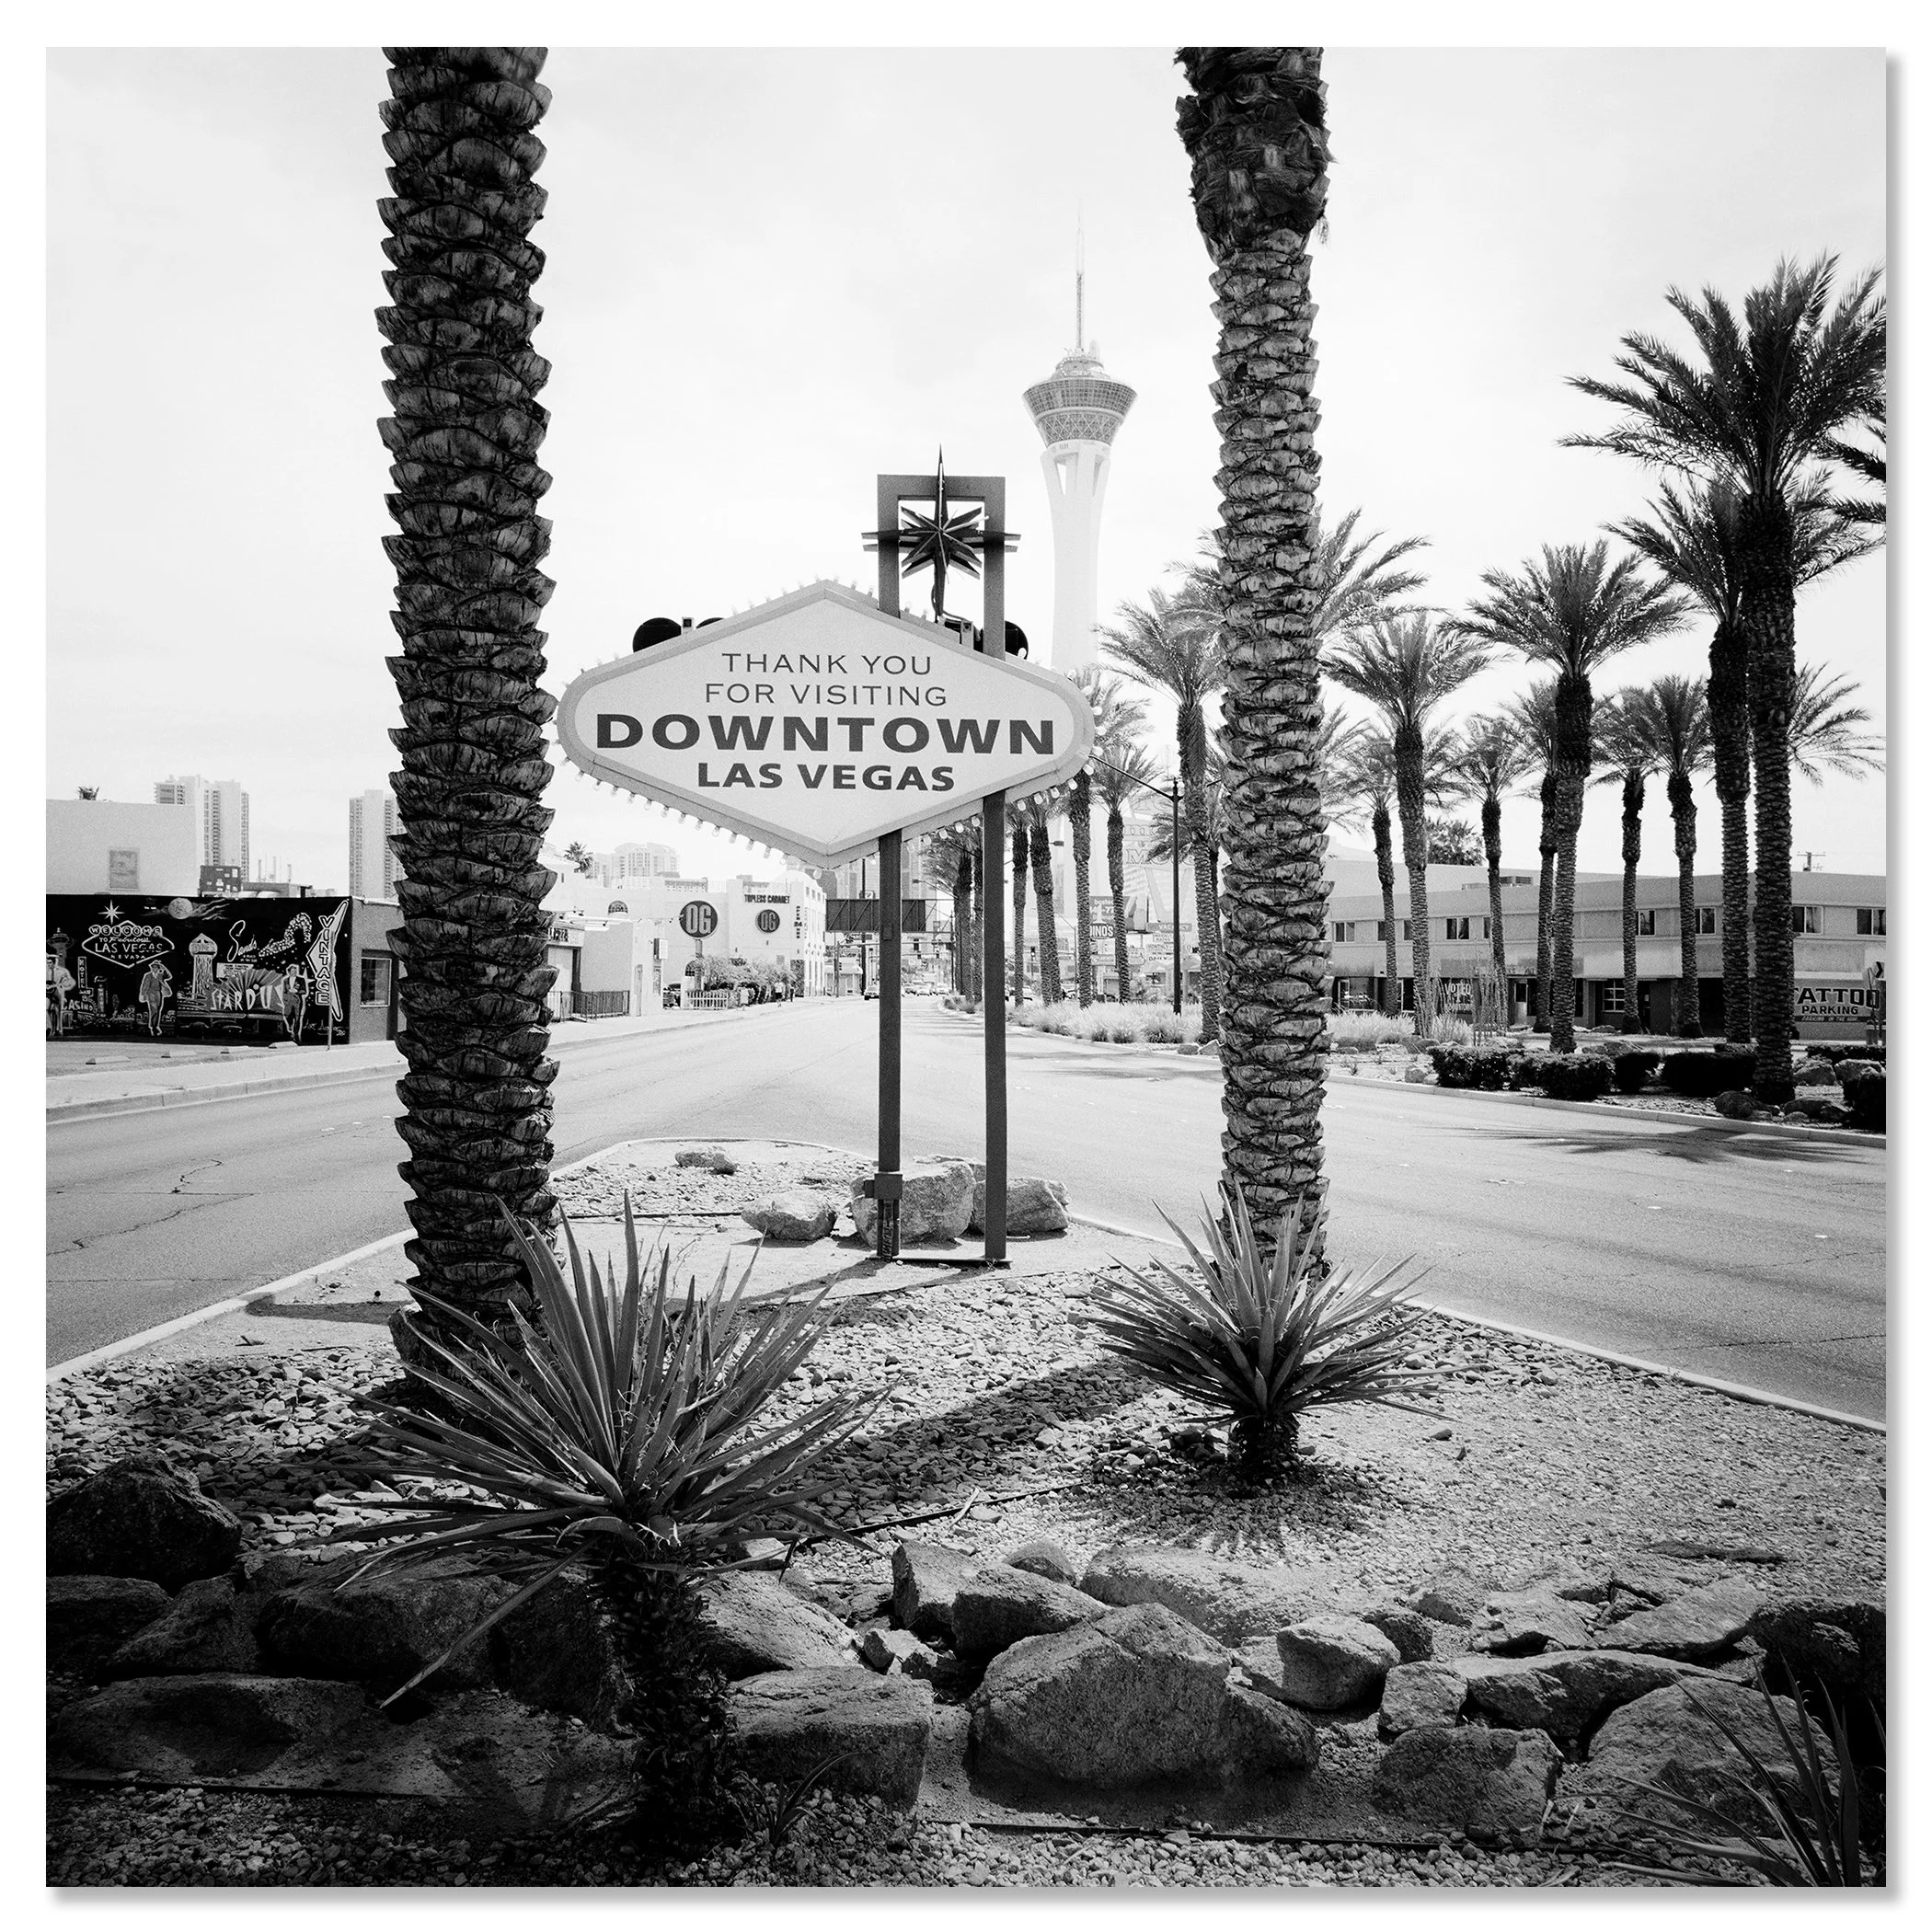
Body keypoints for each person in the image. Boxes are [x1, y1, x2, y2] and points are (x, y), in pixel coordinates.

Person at [138, 959, 174, 1038]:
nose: (154, 968)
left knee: (158, 1010)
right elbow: (144, 985)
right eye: (153, 967)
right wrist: (142, 994)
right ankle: (153, 1027)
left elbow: (169, 976)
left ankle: (154, 1026)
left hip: (159, 993)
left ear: (158, 968)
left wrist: (163, 967)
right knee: (154, 1010)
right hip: (151, 993)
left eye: (156, 967)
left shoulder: (160, 975)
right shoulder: (148, 975)